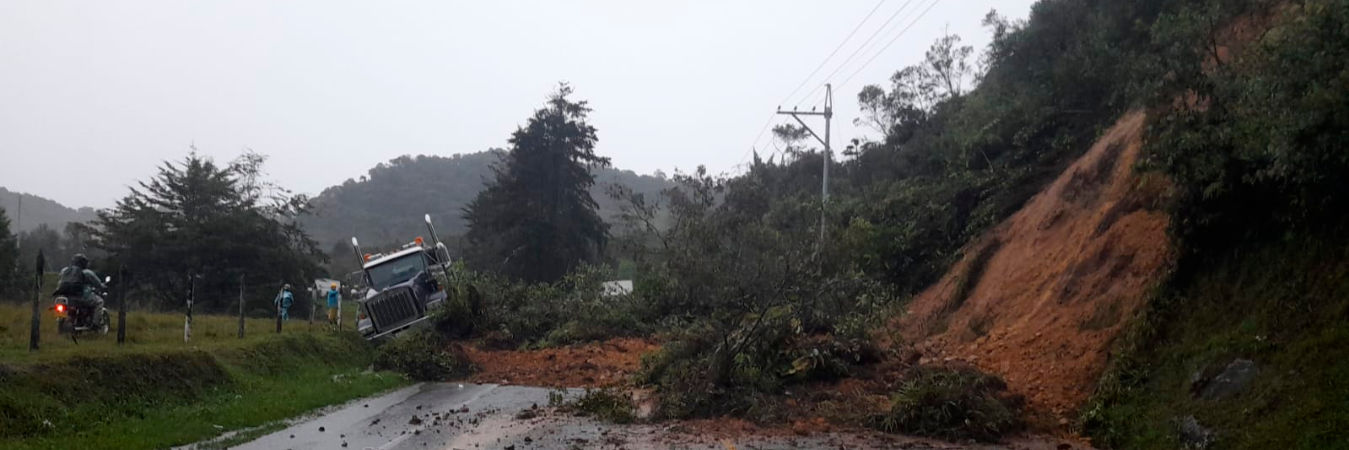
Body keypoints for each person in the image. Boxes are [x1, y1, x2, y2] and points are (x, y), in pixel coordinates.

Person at [53, 254, 108, 326]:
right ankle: (95, 324)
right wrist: (103, 286)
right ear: (84, 263)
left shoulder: (65, 270)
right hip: (80, 297)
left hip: (65, 297)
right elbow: (98, 284)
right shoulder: (87, 273)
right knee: (99, 302)